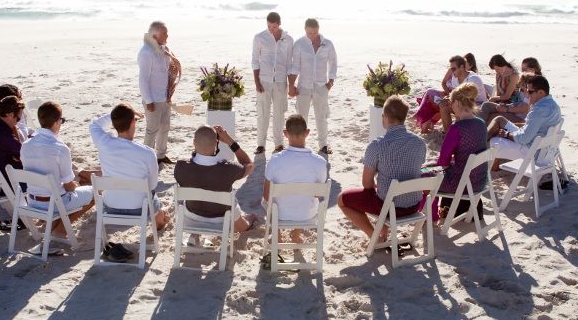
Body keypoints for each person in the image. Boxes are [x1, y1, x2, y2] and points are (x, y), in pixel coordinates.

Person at [337, 96, 426, 244]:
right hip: (414, 205)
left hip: (390, 208)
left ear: (384, 117)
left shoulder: (377, 145)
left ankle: (375, 236)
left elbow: (366, 184)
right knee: (385, 190)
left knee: (342, 199)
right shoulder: (419, 143)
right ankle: (383, 232)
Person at [20, 101, 96, 238]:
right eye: (62, 120)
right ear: (56, 122)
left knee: (70, 190)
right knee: (95, 192)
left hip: (32, 201)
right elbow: (68, 185)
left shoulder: (26, 145)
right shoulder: (60, 148)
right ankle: (60, 230)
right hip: (53, 204)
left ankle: (54, 226)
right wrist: (76, 186)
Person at [89, 102, 168, 231]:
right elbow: (152, 185)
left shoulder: (103, 143)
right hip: (139, 210)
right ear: (133, 123)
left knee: (151, 197)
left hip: (110, 207)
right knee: (154, 198)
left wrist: (116, 115)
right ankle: (160, 218)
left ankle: (160, 213)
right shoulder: (147, 153)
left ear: (114, 123)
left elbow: (94, 124)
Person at [173, 125, 260, 234]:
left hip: (192, 215)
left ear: (194, 142)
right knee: (238, 211)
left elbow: (197, 168)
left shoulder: (180, 167)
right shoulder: (229, 168)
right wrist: (230, 141)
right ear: (216, 144)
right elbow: (249, 165)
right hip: (222, 218)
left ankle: (195, 235)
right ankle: (247, 223)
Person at [263, 114, 328, 244]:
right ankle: (296, 236)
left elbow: (266, 195)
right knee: (303, 197)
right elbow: (317, 194)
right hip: (306, 214)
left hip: (280, 214)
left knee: (268, 200)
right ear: (307, 133)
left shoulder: (274, 161)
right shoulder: (320, 162)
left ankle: (278, 236)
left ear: (285, 134)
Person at [427, 84, 488, 221]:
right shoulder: (481, 124)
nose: (450, 106)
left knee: (423, 173)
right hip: (479, 180)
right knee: (430, 166)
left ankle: (432, 216)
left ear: (457, 103)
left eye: (451, 102)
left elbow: (443, 163)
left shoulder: (456, 128)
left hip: (461, 182)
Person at [289, 18, 338, 155]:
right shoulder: (299, 44)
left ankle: (323, 145)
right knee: (301, 118)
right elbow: (295, 66)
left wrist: (330, 81)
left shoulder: (327, 44)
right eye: (310, 32)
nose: (313, 35)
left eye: (315, 32)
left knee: (321, 116)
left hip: (321, 86)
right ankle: (300, 145)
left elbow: (333, 63)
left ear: (318, 29)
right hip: (303, 86)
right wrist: (291, 85)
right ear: (305, 30)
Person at [489, 75, 562, 166]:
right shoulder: (553, 105)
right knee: (500, 120)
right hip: (542, 148)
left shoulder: (539, 110)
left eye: (530, 92)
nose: (527, 95)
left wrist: (506, 134)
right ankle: (480, 146)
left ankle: (478, 151)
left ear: (541, 92)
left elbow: (523, 139)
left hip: (531, 152)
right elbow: (532, 128)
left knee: (494, 141)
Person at [138, 21, 182, 166]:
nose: (167, 36)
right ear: (155, 35)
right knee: (152, 130)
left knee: (165, 127)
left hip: (165, 97)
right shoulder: (146, 52)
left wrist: (170, 92)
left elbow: (168, 70)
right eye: (164, 33)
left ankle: (160, 155)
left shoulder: (164, 49)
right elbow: (143, 80)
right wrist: (148, 101)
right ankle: (146, 159)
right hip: (153, 99)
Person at [251, 11, 295, 154]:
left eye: (274, 27)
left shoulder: (288, 39)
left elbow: (290, 64)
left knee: (279, 114)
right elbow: (255, 61)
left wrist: (291, 85)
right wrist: (257, 82)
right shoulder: (259, 37)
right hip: (264, 81)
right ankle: (260, 145)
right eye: (269, 26)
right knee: (262, 113)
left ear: (279, 24)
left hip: (281, 82)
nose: (271, 29)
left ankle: (278, 144)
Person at [414, 55, 473, 134]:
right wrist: (449, 95)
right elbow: (444, 83)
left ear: (463, 66)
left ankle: (430, 124)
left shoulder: (471, 78)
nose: (452, 70)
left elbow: (470, 98)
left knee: (441, 103)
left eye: (453, 68)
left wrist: (451, 97)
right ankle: (441, 130)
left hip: (467, 103)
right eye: (451, 68)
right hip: (452, 96)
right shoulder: (455, 76)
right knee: (434, 98)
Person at [478, 54, 522, 125]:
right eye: (495, 70)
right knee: (482, 108)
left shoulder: (514, 76)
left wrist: (493, 99)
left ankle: (478, 127)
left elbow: (507, 96)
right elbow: (498, 94)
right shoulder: (498, 74)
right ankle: (478, 127)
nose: (497, 72)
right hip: (501, 102)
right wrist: (494, 100)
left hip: (511, 104)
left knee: (486, 107)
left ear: (503, 64)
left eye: (498, 69)